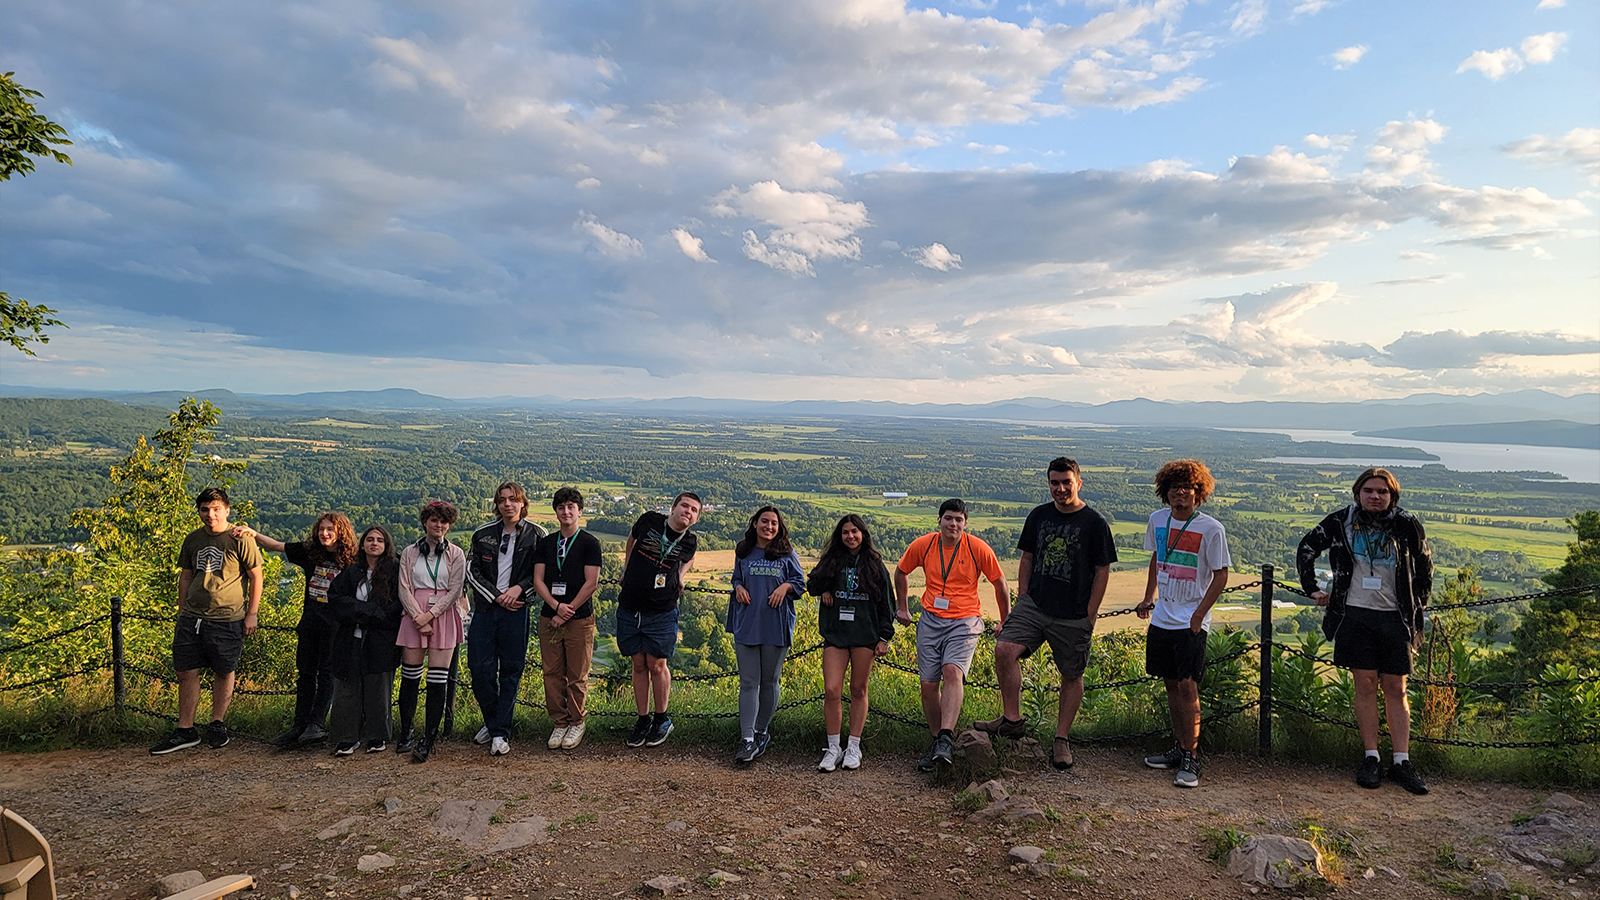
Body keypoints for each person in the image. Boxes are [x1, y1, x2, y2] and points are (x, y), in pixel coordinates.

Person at [1297, 467, 1433, 795]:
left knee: (1396, 688)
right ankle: (1371, 757)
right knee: (1365, 685)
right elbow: (1306, 549)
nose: (1375, 496)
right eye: (1369, 490)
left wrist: (1419, 605)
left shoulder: (1406, 523)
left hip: (1394, 617)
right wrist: (1312, 589)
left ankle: (1401, 760)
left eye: (1382, 492)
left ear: (1392, 496)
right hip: (1354, 614)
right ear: (1358, 493)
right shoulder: (1341, 521)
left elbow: (1425, 565)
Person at [976, 457, 1117, 771]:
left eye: (1066, 482)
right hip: (1035, 605)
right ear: (1048, 483)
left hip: (1074, 613)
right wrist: (1023, 597)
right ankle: (1012, 720)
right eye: (1055, 482)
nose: (1061, 488)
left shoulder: (1094, 522)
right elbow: (1027, 557)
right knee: (1005, 649)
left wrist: (1090, 614)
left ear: (1078, 483)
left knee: (1071, 674)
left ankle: (1061, 738)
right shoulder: (1039, 515)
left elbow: (1102, 569)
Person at [1135, 460, 1231, 788]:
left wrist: (1200, 615)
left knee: (1189, 687)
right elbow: (1156, 558)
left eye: (1187, 487)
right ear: (1166, 491)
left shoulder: (1210, 528)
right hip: (1163, 616)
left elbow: (1221, 575)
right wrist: (1149, 596)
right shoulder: (1157, 520)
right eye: (1174, 487)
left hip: (1191, 621)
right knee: (1171, 684)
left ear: (1198, 491)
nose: (1180, 492)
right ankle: (1179, 747)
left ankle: (1192, 756)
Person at [894, 498, 1008, 771]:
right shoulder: (924, 544)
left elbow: (999, 582)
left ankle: (945, 737)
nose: (953, 524)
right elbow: (901, 571)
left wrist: (1007, 621)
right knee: (928, 684)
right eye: (948, 518)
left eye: (958, 519)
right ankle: (937, 742)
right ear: (939, 520)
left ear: (965, 523)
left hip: (965, 620)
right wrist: (902, 607)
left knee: (952, 672)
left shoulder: (977, 547)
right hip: (931, 618)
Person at [150, 487, 264, 755]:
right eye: (204, 509)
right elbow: (186, 576)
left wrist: (252, 613)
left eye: (215, 509)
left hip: (227, 616)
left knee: (223, 670)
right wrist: (182, 611)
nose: (210, 514)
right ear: (199, 511)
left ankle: (217, 723)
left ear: (226, 510)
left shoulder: (240, 539)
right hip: (192, 617)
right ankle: (185, 729)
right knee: (185, 671)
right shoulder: (192, 540)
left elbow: (257, 576)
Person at [234, 512, 358, 749]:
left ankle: (316, 724)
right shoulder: (310, 551)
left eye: (330, 529)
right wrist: (253, 533)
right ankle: (299, 725)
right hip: (310, 621)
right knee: (305, 674)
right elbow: (277, 546)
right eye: (322, 529)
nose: (325, 533)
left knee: (327, 674)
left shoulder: (352, 559)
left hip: (336, 625)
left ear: (341, 531)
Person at [807, 514, 895, 772]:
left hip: (865, 634)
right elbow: (811, 584)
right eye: (845, 532)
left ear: (863, 534)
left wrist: (884, 637)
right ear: (839, 535)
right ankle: (833, 747)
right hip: (836, 633)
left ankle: (853, 746)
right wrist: (824, 587)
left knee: (858, 689)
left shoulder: (875, 564)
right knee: (832, 690)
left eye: (855, 531)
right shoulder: (831, 559)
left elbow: (886, 603)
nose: (850, 536)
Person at [465, 483, 546, 757]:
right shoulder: (482, 534)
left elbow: (542, 575)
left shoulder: (537, 535)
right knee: (479, 670)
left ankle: (500, 733)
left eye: (513, 499)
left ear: (523, 503)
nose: (507, 504)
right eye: (502, 500)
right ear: (497, 504)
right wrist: (497, 596)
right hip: (486, 610)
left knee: (511, 672)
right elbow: (472, 571)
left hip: (517, 611)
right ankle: (495, 721)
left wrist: (519, 590)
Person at [617, 492, 702, 749]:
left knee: (657, 664)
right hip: (630, 605)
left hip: (662, 610)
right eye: (684, 506)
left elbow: (688, 559)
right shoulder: (650, 520)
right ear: (673, 508)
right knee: (638, 663)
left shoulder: (690, 541)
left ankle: (661, 718)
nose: (688, 511)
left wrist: (681, 575)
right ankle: (642, 719)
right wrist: (625, 569)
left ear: (696, 518)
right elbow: (632, 540)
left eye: (694, 510)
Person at [727, 506, 806, 765]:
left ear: (779, 527)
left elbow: (800, 583)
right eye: (764, 522)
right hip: (747, 623)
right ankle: (747, 739)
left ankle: (762, 731)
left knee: (770, 681)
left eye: (773, 523)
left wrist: (785, 586)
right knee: (748, 682)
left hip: (776, 625)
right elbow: (736, 578)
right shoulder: (744, 551)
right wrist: (738, 586)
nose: (768, 527)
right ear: (755, 524)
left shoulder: (787, 553)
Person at [396, 500, 467, 763]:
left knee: (438, 680)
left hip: (443, 616)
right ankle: (406, 732)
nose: (439, 525)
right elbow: (404, 587)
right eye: (434, 520)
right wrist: (418, 616)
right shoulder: (409, 552)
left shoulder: (457, 554)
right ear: (425, 522)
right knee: (410, 677)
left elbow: (455, 590)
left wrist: (430, 615)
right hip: (414, 614)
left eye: (443, 522)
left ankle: (429, 738)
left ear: (449, 525)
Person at [533, 487, 603, 750]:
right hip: (549, 617)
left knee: (577, 674)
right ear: (556, 512)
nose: (566, 511)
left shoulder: (589, 543)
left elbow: (591, 583)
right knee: (551, 673)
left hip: (579, 618)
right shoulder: (546, 543)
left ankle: (577, 722)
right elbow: (538, 580)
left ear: (580, 511)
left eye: (571, 507)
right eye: (561, 507)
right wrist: (555, 606)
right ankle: (559, 723)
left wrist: (568, 609)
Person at [325, 526, 404, 756]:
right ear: (362, 544)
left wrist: (371, 615)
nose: (374, 544)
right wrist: (367, 611)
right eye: (370, 539)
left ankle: (377, 736)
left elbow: (398, 603)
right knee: (347, 688)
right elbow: (336, 599)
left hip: (381, 639)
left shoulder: (395, 571)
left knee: (378, 688)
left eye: (379, 540)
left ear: (386, 545)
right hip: (351, 639)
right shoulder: (351, 572)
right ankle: (346, 738)